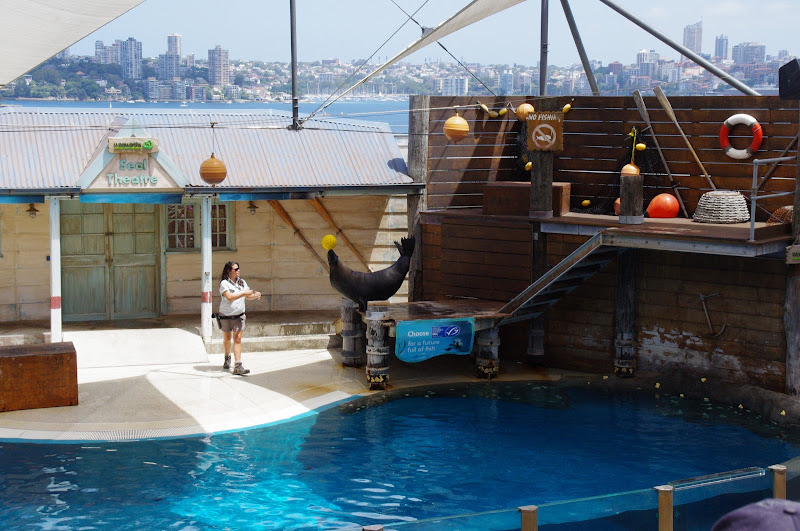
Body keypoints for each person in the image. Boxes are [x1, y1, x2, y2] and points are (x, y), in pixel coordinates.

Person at [218, 261, 260, 375]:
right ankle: (227, 357)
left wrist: (255, 295)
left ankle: (238, 365)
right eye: (235, 269)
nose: (238, 271)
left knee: (237, 339)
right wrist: (244, 293)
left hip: (239, 315)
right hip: (226, 315)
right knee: (227, 339)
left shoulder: (242, 282)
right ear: (229, 271)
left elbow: (248, 296)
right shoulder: (224, 284)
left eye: (238, 269)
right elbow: (230, 297)